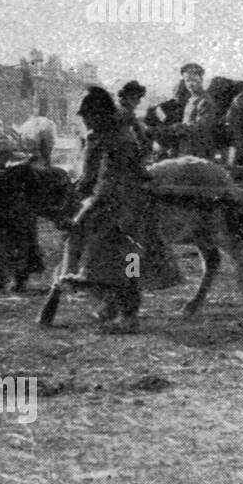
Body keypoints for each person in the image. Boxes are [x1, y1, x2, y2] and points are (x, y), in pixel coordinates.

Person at [58, 86, 179, 333]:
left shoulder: (108, 139)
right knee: (119, 261)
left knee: (118, 261)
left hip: (119, 208)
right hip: (125, 205)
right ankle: (114, 308)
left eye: (88, 117)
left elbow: (98, 182)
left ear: (99, 115)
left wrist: (78, 209)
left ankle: (126, 315)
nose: (86, 121)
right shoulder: (116, 133)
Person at [116, 80, 153, 160]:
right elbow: (138, 133)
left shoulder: (126, 111)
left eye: (139, 98)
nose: (138, 102)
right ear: (127, 97)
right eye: (136, 98)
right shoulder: (124, 112)